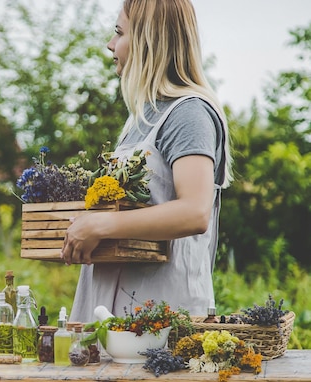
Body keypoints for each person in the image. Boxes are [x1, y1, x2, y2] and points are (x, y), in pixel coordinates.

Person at [61, 0, 233, 321]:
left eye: (119, 33)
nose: (110, 44)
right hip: (111, 311)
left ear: (147, 39)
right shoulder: (139, 120)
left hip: (161, 317)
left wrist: (101, 224)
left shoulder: (188, 114)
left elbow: (195, 211)